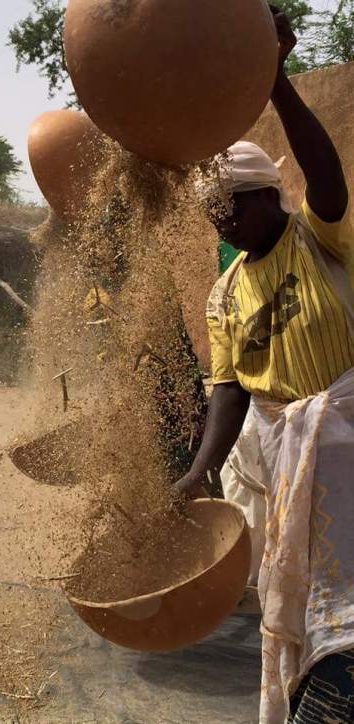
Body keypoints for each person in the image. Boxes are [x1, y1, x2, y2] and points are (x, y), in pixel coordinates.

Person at [175, 6, 354, 724]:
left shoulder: (319, 240)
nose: (220, 219)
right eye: (209, 211)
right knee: (305, 602)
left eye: (230, 205)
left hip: (346, 449)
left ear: (266, 195)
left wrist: (274, 76)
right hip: (287, 461)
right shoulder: (224, 292)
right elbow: (229, 389)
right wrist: (197, 469)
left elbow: (326, 173)